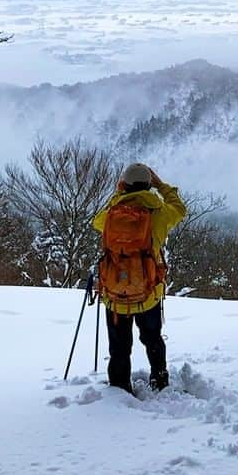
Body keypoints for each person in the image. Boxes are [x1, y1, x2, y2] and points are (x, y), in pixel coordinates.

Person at [92, 162, 187, 394]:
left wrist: (118, 195)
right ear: (148, 185)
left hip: (115, 297)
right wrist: (162, 186)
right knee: (152, 339)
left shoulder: (110, 216)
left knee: (119, 347)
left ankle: (119, 387)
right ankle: (159, 380)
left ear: (124, 185)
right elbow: (180, 209)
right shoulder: (159, 215)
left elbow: (96, 222)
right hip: (148, 294)